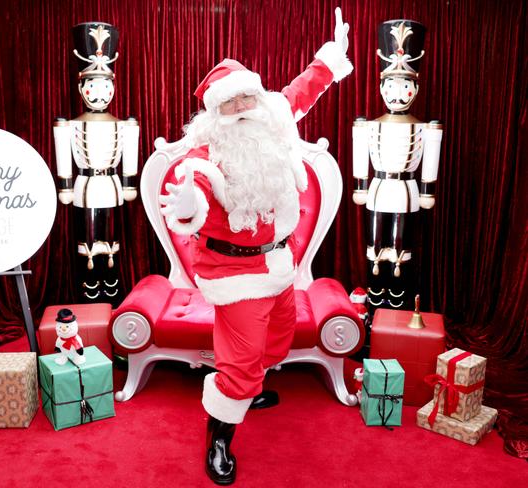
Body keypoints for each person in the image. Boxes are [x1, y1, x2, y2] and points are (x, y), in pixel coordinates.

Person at [159, 8, 353, 485]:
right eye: (232, 102)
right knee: (242, 362)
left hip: (279, 266)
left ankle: (249, 387)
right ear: (214, 117)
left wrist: (332, 57)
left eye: (250, 95)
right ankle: (220, 431)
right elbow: (192, 201)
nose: (244, 106)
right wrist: (186, 206)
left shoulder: (273, 122)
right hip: (234, 277)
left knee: (280, 338)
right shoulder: (204, 158)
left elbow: (301, 90)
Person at [351, 19, 443, 312]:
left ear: (414, 88)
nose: (398, 93)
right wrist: (360, 185)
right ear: (382, 87)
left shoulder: (425, 127)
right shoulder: (369, 125)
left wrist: (428, 189)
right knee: (375, 249)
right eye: (392, 85)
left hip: (408, 191)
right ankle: (376, 310)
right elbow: (359, 154)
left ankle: (398, 309)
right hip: (378, 189)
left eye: (405, 85)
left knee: (402, 249)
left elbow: (430, 158)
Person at [53, 22, 140, 306]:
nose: (101, 91)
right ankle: (89, 292)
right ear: (82, 87)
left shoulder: (124, 124)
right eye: (94, 84)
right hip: (85, 187)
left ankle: (111, 291)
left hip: (112, 186)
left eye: (106, 84)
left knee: (113, 243)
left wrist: (129, 181)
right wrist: (65, 184)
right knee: (87, 243)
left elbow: (129, 154)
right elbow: (64, 156)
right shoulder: (69, 125)